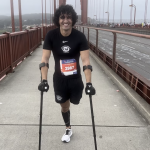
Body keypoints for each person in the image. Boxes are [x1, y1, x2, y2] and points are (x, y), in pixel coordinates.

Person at [38, 4, 96, 143]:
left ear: (73, 20)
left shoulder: (80, 36)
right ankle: (68, 127)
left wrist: (89, 83)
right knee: (64, 106)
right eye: (62, 17)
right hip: (60, 80)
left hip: (75, 79)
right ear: (58, 19)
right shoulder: (51, 35)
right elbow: (44, 59)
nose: (65, 20)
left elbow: (85, 60)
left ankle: (74, 98)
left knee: (75, 101)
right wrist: (44, 80)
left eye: (69, 17)